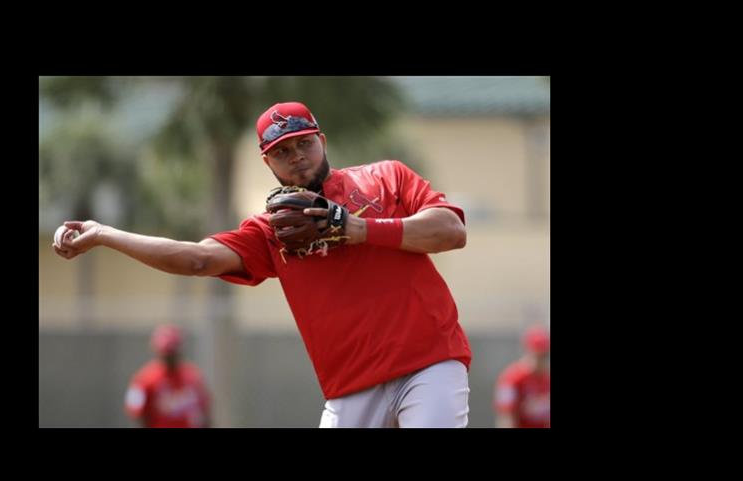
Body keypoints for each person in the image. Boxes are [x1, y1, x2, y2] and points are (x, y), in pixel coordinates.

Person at [55, 101, 472, 427]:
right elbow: (198, 259)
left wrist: (353, 227)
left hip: (429, 362)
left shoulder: (385, 178)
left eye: (304, 143)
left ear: (322, 140)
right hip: (350, 387)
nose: (296, 156)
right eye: (282, 151)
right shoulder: (270, 231)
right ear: (267, 162)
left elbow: (451, 231)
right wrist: (106, 234)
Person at [124, 324, 212, 428]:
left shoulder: (193, 377)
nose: (170, 358)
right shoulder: (144, 380)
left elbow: (205, 411)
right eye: (166, 354)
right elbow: (136, 412)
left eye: (173, 353)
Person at [494, 325, 550, 428]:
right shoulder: (511, 379)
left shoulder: (547, 378)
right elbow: (506, 417)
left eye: (544, 356)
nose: (540, 360)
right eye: (537, 355)